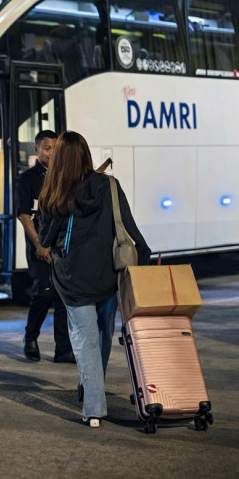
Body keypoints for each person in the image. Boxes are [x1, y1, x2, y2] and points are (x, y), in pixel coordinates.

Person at [38, 131, 150, 427]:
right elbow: (128, 227)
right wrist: (145, 260)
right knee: (101, 335)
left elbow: (46, 239)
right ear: (86, 154)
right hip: (107, 275)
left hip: (72, 278)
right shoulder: (109, 185)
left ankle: (94, 408)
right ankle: (91, 389)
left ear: (59, 158)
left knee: (84, 339)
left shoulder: (55, 190)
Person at [17, 130, 74, 363]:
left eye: (55, 148)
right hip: (39, 246)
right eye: (47, 148)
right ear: (37, 150)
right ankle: (31, 337)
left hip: (62, 246)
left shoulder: (65, 177)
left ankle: (63, 350)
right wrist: (39, 245)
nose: (52, 153)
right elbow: (24, 216)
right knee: (43, 292)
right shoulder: (28, 179)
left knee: (62, 296)